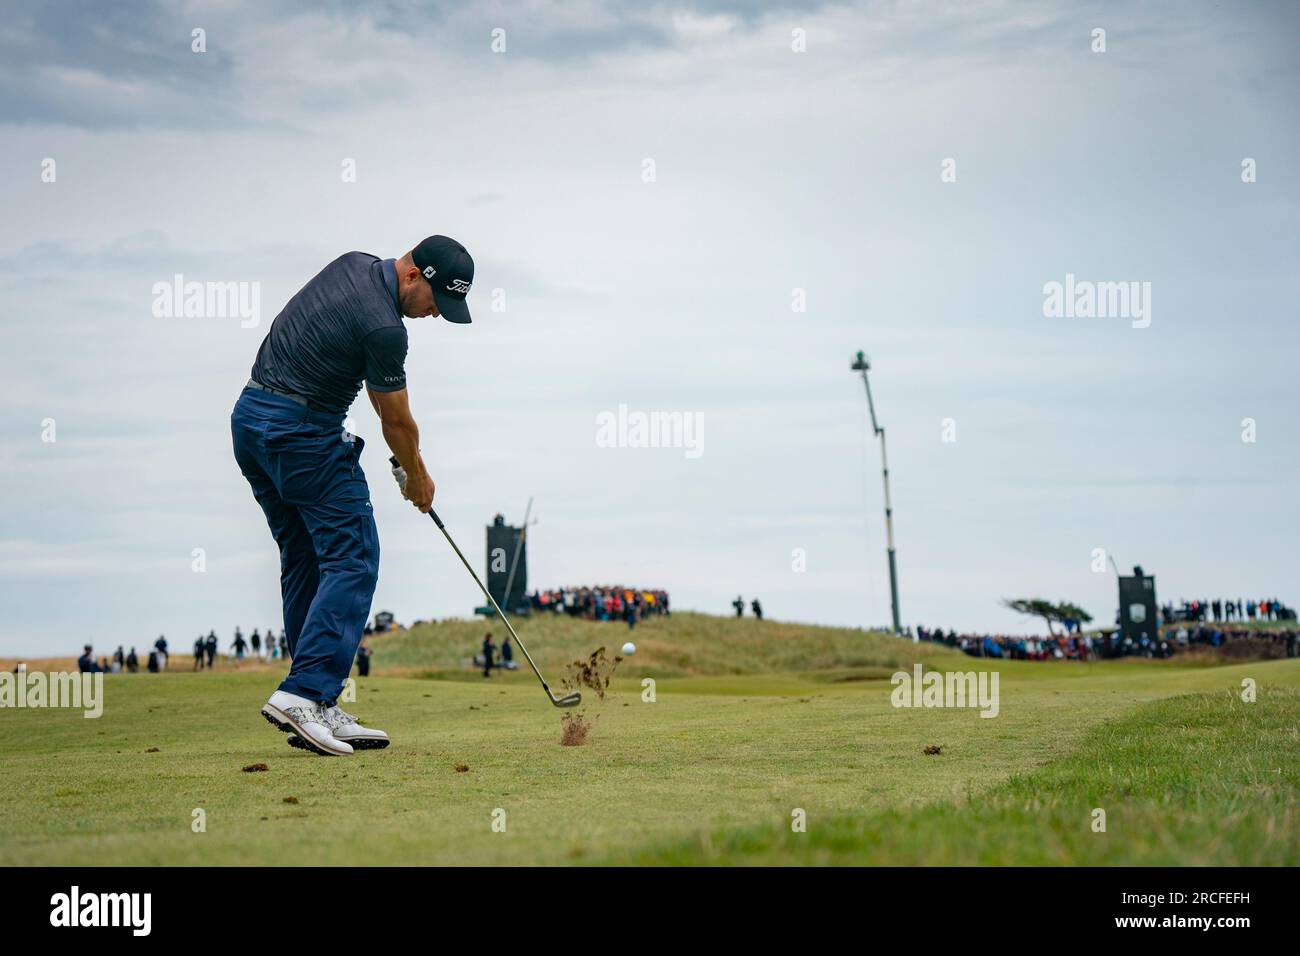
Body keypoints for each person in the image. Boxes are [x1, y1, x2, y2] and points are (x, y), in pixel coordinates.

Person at [233, 237, 474, 756]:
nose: (436, 315)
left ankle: (314, 699)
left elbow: (364, 377)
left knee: (305, 557)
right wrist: (418, 477)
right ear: (413, 275)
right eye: (437, 301)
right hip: (301, 433)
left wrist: (402, 463)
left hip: (251, 422)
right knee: (354, 556)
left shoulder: (355, 265)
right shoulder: (387, 328)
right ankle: (304, 693)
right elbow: (396, 419)